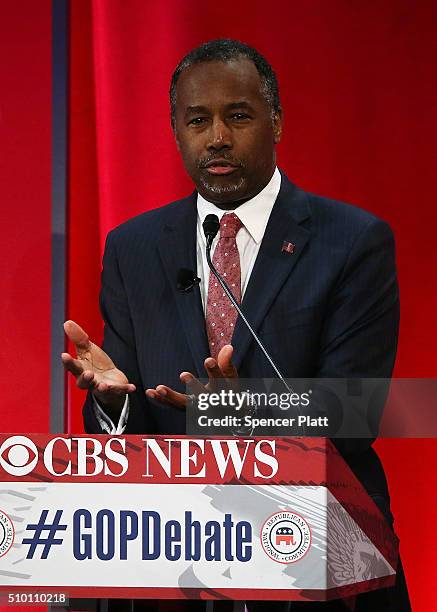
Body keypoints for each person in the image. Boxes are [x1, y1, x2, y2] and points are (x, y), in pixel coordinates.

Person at [63, 39, 410, 611]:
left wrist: (245, 409)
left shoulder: (351, 241)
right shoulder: (135, 247)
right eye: (198, 120)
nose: (217, 137)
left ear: (275, 121)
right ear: (176, 130)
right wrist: (110, 402)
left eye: (239, 116)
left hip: (316, 547)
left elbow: (357, 412)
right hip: (174, 554)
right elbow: (127, 414)